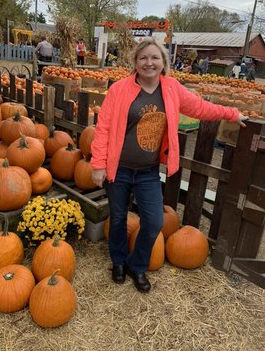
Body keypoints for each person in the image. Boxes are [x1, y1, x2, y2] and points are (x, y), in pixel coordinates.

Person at [90, 38, 248, 293]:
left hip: (148, 172)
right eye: (143, 58)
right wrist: (98, 164)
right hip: (117, 169)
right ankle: (118, 262)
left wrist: (231, 113)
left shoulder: (172, 89)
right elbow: (103, 128)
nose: (149, 62)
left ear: (164, 62)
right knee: (118, 218)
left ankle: (137, 265)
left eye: (154, 58)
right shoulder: (119, 90)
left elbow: (201, 108)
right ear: (135, 62)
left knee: (153, 222)